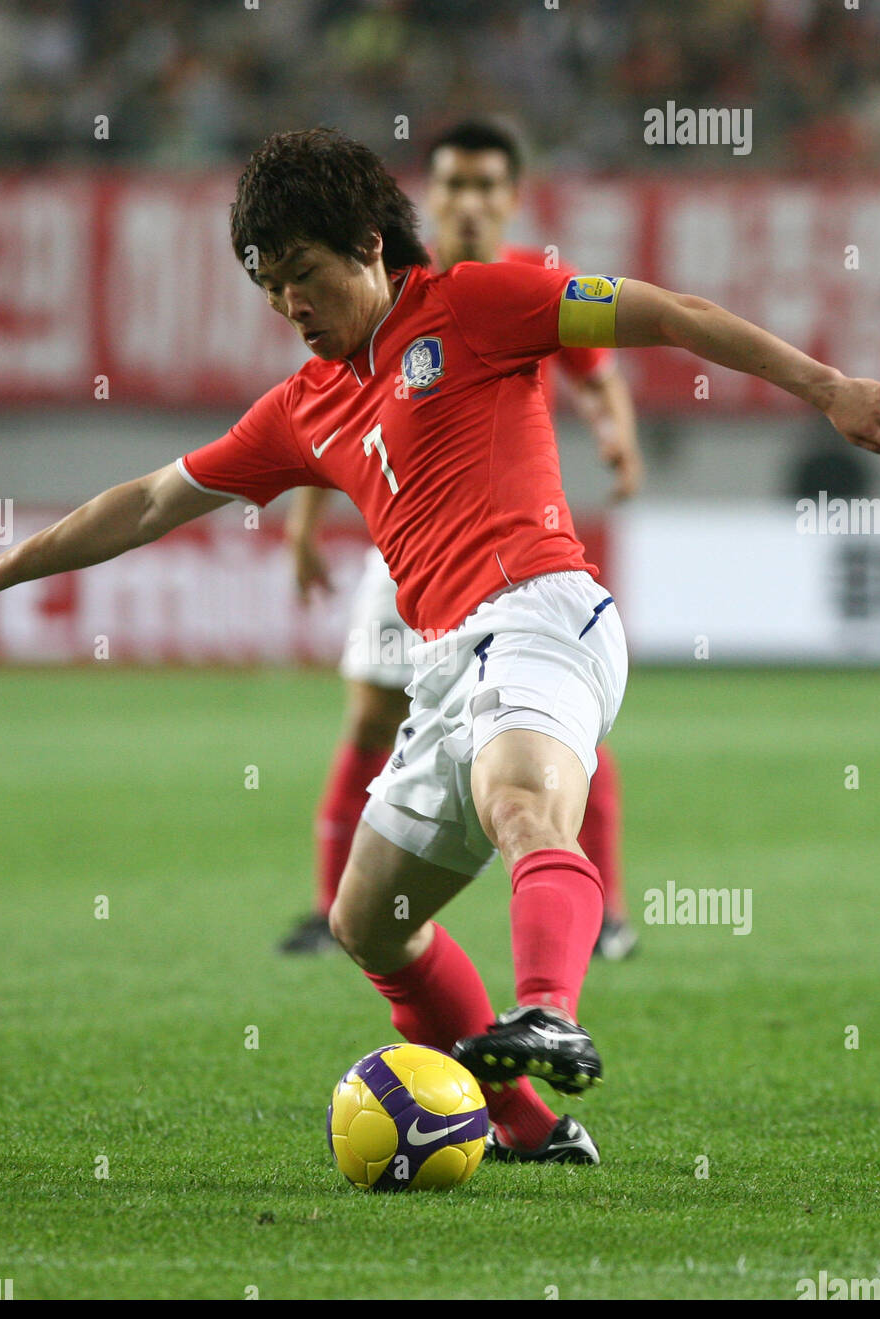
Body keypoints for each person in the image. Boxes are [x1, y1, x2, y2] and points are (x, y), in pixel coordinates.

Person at [0, 128, 880, 1164]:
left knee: (520, 801)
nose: (290, 307)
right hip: (445, 663)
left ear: (367, 244)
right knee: (368, 923)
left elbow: (670, 312)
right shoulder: (305, 406)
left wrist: (825, 387)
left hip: (543, 612)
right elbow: (151, 500)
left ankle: (550, 1010)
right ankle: (529, 1126)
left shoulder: (482, 303)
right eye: (269, 290)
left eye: (303, 275)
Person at [278, 118, 643, 965]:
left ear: (514, 199)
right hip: (405, 548)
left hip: (508, 550)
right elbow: (323, 415)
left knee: (556, 733)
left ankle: (607, 909)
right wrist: (303, 527)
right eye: (453, 185)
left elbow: (601, 370)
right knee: (372, 711)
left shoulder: (523, 283)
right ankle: (334, 909)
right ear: (430, 195)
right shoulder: (382, 284)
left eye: (487, 187)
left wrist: (618, 438)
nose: (469, 201)